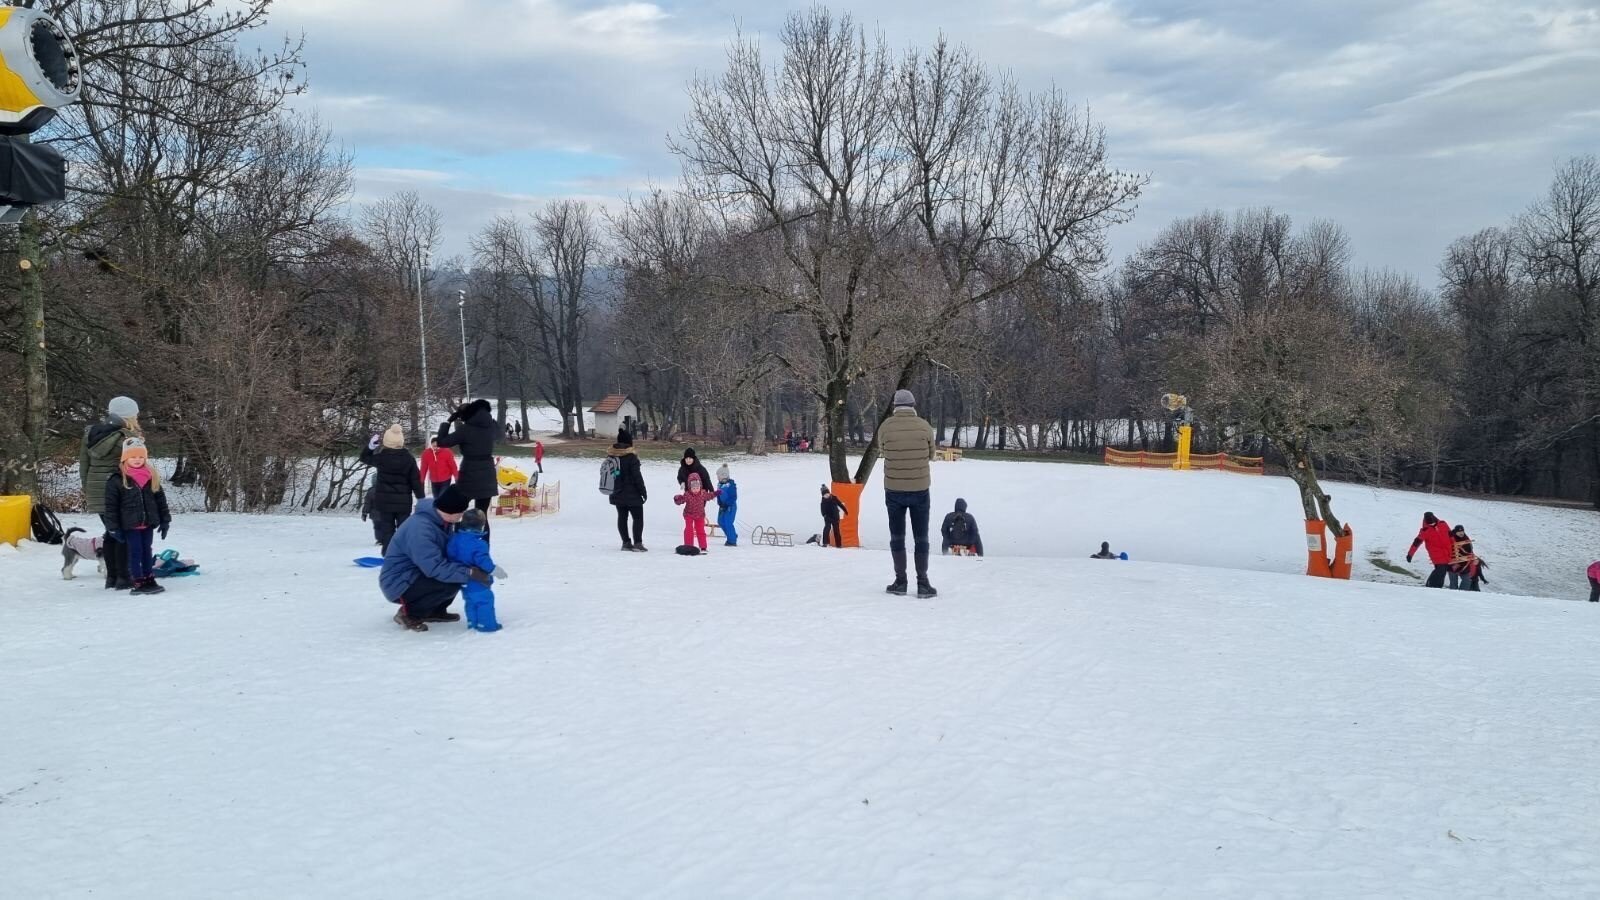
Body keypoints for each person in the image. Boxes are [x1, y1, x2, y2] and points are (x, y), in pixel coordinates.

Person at [380, 484, 485, 631]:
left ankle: (434, 610)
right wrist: (469, 572)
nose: (462, 516)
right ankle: (408, 613)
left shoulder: (442, 521)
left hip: (416, 574)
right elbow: (435, 568)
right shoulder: (420, 529)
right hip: (399, 583)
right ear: (451, 510)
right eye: (460, 512)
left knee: (457, 575)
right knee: (451, 579)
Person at [879, 389, 937, 597]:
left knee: (897, 536)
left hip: (893, 490)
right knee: (921, 537)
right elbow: (931, 454)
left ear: (895, 406)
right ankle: (923, 583)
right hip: (920, 489)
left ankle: (900, 582)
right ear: (913, 405)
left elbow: (883, 451)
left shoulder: (885, 427)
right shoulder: (924, 426)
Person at [80, 395, 141, 590]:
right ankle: (124, 577)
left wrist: (89, 490)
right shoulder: (128, 438)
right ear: (128, 416)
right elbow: (134, 467)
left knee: (111, 532)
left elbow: (84, 466)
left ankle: (112, 578)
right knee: (123, 532)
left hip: (96, 490)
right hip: (118, 491)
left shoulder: (90, 434)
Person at [102, 437, 171, 596]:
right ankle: (138, 580)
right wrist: (112, 528)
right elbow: (111, 507)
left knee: (147, 550)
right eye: (133, 457)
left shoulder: (151, 476)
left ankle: (149, 577)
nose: (137, 460)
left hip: (147, 523)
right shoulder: (117, 480)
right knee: (135, 552)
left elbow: (161, 501)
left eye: (141, 457)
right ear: (125, 458)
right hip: (130, 525)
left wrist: (165, 520)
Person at [360, 424, 425, 555]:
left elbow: (364, 458)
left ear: (386, 442)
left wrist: (370, 447)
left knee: (387, 529)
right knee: (403, 529)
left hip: (384, 502)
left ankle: (389, 554)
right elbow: (416, 480)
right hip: (403, 502)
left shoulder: (381, 457)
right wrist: (421, 498)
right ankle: (403, 554)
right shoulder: (408, 459)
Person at [437, 399, 499, 526]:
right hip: (488, 474)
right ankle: (482, 544)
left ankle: (453, 537)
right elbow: (497, 431)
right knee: (482, 516)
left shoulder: (466, 430)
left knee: (452, 509)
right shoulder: (491, 426)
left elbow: (442, 442)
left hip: (469, 475)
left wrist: (448, 422)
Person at [448, 509, 508, 632]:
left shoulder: (454, 539)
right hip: (477, 579)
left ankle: (472, 623)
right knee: (484, 601)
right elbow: (483, 561)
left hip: (461, 577)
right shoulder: (478, 544)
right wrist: (495, 570)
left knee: (470, 601)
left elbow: (450, 554)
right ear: (480, 526)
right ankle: (486, 625)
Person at [607, 428, 649, 551]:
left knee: (622, 517)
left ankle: (625, 542)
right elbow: (637, 477)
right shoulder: (631, 457)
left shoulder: (611, 456)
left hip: (616, 492)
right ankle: (637, 543)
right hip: (633, 494)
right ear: (629, 443)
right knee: (638, 518)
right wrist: (643, 492)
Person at [1406, 512, 1455, 588]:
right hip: (1436, 554)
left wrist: (1454, 546)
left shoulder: (1443, 523)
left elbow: (1450, 535)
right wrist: (1410, 554)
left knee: (1443, 571)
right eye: (1430, 524)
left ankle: (1438, 587)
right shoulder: (1425, 531)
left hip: (1447, 552)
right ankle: (1430, 584)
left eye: (1433, 523)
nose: (1432, 525)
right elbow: (1416, 543)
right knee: (1441, 569)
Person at [674, 473, 719, 553]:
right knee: (689, 529)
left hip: (700, 515)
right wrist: (678, 499)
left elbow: (709, 496)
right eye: (693, 488)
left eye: (697, 487)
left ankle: (703, 547)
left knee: (700, 530)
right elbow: (682, 500)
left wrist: (715, 493)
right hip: (689, 514)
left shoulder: (703, 493)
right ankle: (688, 546)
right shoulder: (687, 495)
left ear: (700, 486)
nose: (695, 489)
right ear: (690, 488)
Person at [716, 464, 738, 547]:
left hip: (730, 507)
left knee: (728, 522)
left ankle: (732, 540)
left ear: (724, 476)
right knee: (721, 522)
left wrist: (727, 504)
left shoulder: (731, 485)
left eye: (718, 476)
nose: (717, 477)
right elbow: (718, 495)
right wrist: (720, 503)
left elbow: (733, 497)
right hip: (722, 507)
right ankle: (731, 535)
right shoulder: (720, 484)